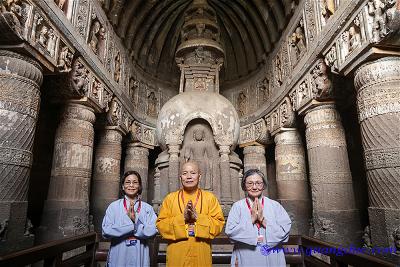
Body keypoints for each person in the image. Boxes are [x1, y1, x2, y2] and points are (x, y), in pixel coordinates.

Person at [156, 161, 225, 266]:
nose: (189, 177)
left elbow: (219, 224)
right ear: (180, 178)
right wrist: (182, 219)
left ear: (199, 176)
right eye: (185, 173)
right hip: (177, 254)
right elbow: (161, 225)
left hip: (201, 253)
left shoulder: (209, 198)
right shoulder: (170, 199)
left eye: (193, 173)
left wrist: (198, 218)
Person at [225, 169, 291, 267]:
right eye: (250, 183)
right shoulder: (237, 206)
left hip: (271, 254)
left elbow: (285, 232)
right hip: (246, 255)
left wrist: (263, 220)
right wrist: (251, 219)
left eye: (258, 183)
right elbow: (230, 233)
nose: (254, 187)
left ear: (263, 185)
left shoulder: (275, 206)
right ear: (244, 186)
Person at [102, 171, 158, 267]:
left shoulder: (147, 208)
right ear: (123, 186)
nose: (131, 185)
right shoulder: (114, 206)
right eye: (128, 182)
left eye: (135, 182)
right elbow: (106, 231)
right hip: (119, 253)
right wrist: (132, 226)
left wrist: (136, 221)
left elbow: (153, 230)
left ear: (139, 186)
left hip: (140, 254)